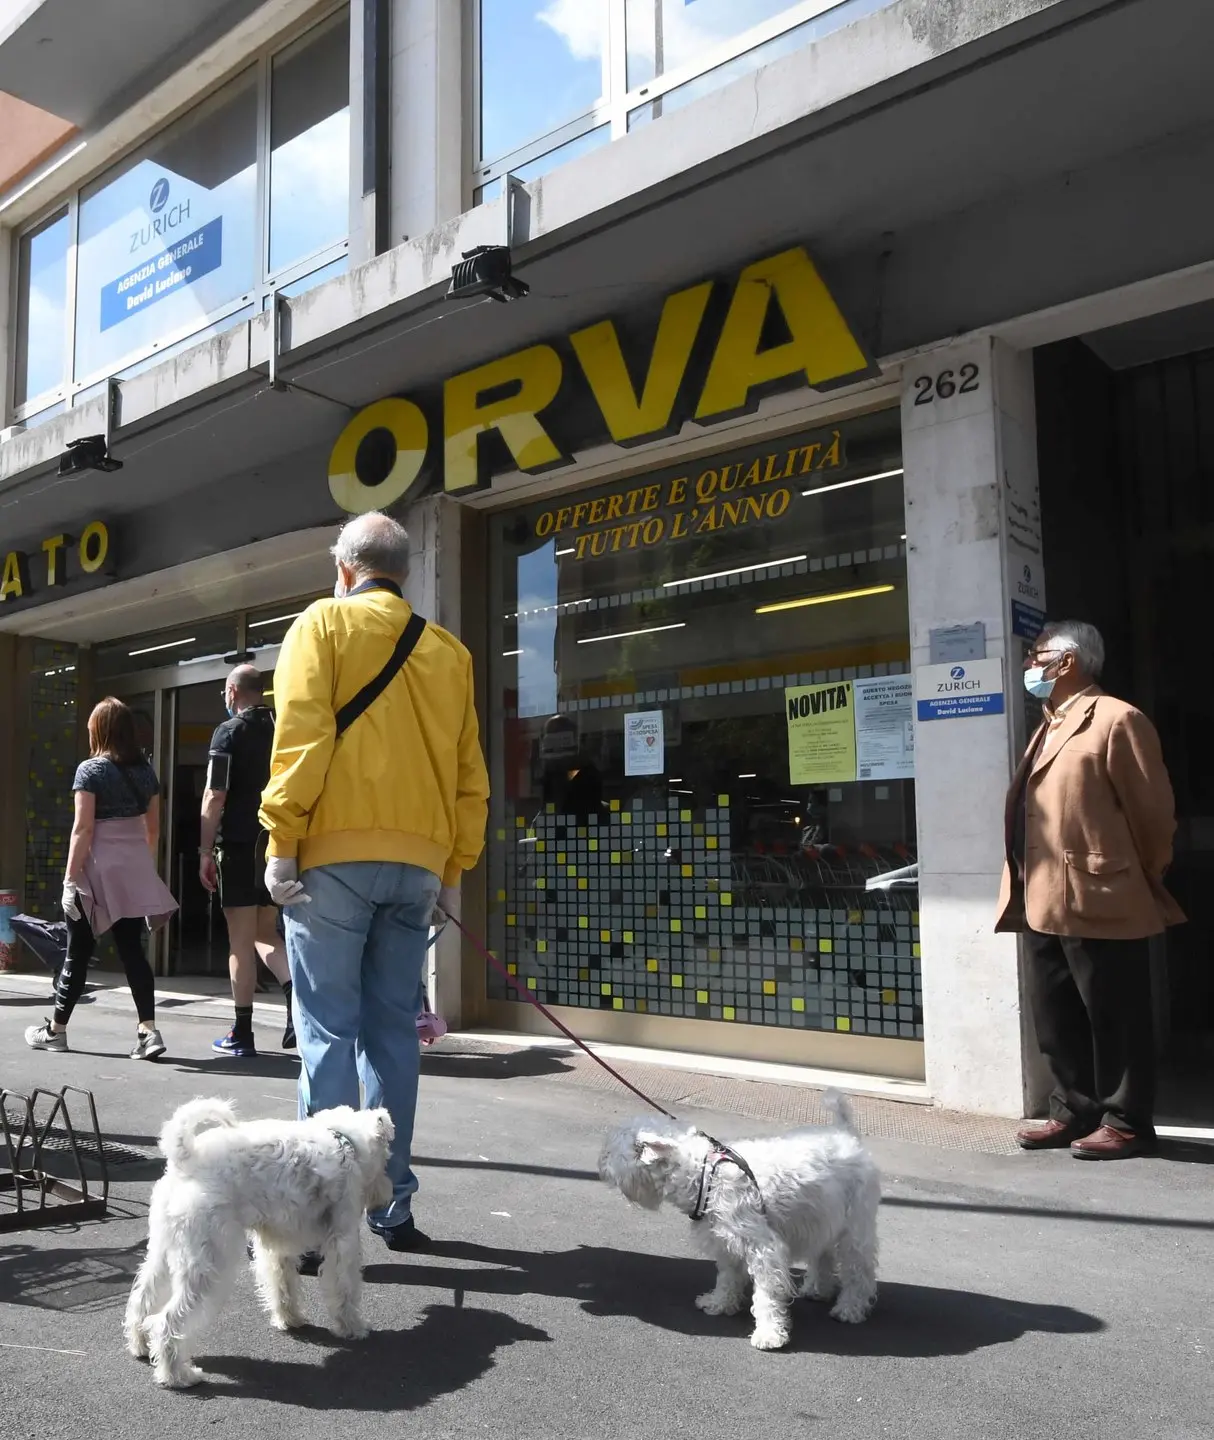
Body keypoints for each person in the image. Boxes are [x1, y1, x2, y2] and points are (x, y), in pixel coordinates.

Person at [259, 510, 489, 1253]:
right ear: (404, 572)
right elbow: (468, 775)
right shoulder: (450, 653)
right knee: (394, 1034)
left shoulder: (321, 626)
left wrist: (282, 842)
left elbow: (300, 735)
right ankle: (393, 1205)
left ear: (344, 568)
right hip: (418, 861)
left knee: (328, 1030)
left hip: (331, 855)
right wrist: (452, 866)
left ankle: (325, 1215)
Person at [996, 621, 1184, 1160]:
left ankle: (1126, 1120)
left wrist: (1133, 874)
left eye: (1038, 655)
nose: (1030, 664)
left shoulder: (1116, 718)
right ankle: (1072, 1108)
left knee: (1114, 1010)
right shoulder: (1048, 724)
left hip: (1100, 892)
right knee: (1054, 1009)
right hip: (1039, 892)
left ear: (1069, 660)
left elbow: (1154, 814)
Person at [25, 697, 177, 1059]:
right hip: (131, 870)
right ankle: (148, 1031)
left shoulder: (89, 770)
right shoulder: (146, 772)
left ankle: (56, 1030)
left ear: (100, 730)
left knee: (77, 952)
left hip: (94, 873)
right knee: (132, 952)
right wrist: (142, 869)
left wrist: (68, 880)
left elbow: (83, 829)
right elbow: (153, 830)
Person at [200, 664, 295, 1057]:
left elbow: (215, 793)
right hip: (276, 845)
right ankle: (296, 1012)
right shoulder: (283, 726)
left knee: (240, 939)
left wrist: (205, 850)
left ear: (232, 692)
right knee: (266, 933)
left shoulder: (228, 732)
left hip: (238, 844)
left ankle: (242, 1032)